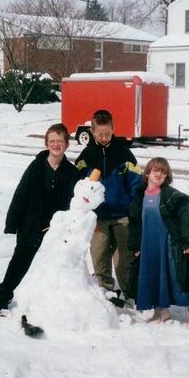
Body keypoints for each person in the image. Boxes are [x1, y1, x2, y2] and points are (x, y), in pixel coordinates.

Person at [0, 123, 80, 314]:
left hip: (56, 230)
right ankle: (2, 297)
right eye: (52, 141)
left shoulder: (72, 173)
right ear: (46, 144)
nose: (56, 145)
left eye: (60, 141)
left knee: (53, 267)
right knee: (20, 264)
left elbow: (76, 203)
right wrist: (12, 223)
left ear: (67, 144)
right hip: (31, 226)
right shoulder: (35, 167)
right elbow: (21, 194)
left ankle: (49, 303)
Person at [127, 157, 189, 331]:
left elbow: (186, 217)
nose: (159, 173)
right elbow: (135, 223)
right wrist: (135, 246)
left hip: (170, 244)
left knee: (180, 276)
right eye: (156, 169)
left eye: (163, 171)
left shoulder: (170, 195)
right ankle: (161, 312)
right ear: (148, 172)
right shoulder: (139, 196)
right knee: (154, 276)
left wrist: (188, 240)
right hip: (149, 246)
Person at [74, 109, 142, 303]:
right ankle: (106, 294)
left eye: (107, 133)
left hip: (122, 216)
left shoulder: (124, 153)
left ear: (113, 129)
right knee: (99, 256)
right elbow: (78, 185)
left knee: (124, 260)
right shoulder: (86, 155)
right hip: (98, 217)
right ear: (93, 132)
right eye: (100, 133)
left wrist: (130, 205)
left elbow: (137, 183)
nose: (104, 137)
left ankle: (130, 294)